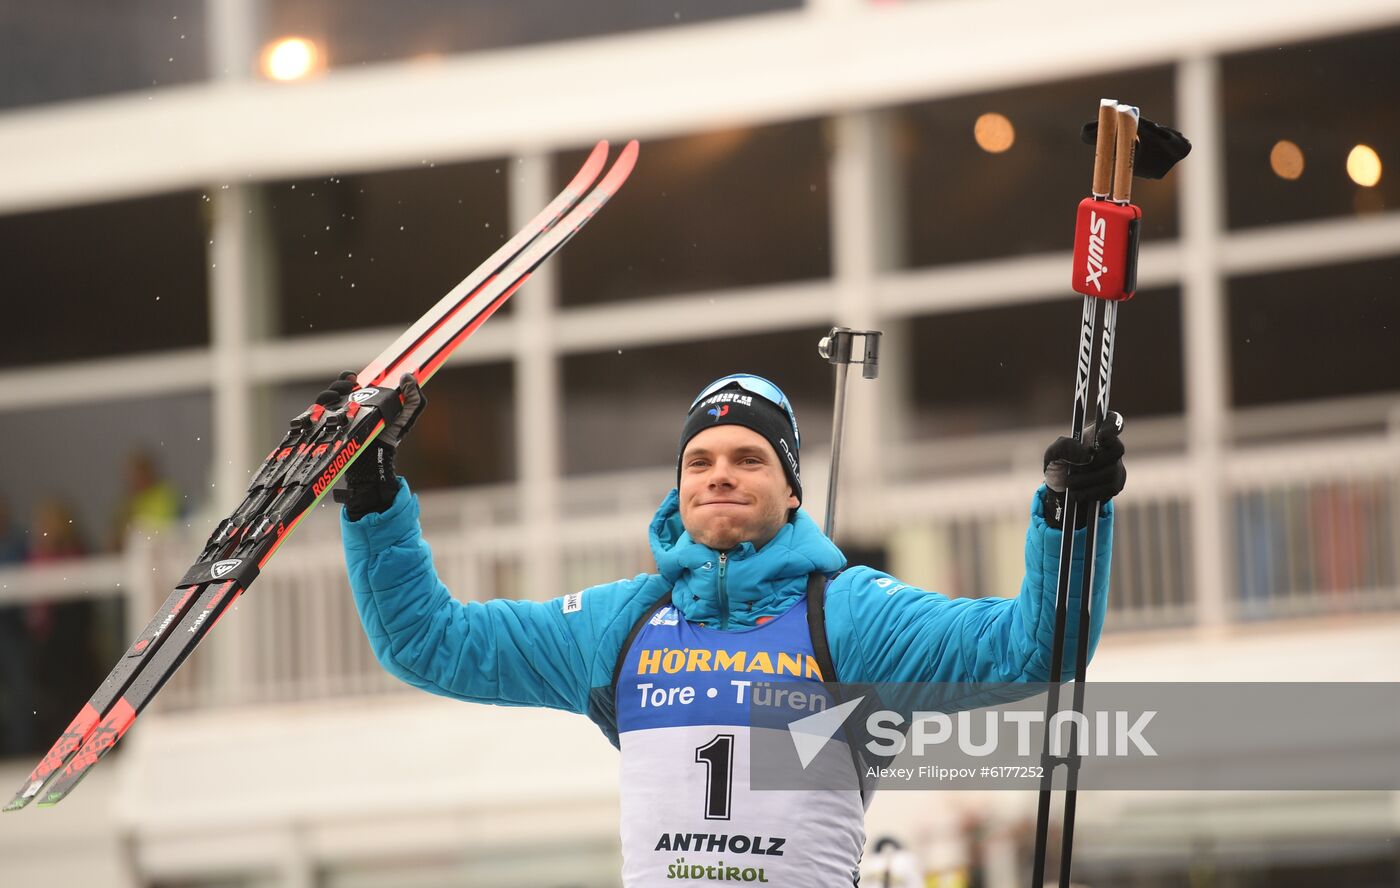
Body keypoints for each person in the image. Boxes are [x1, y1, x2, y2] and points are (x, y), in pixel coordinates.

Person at [334, 371, 1124, 887]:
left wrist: (1069, 518)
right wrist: (372, 502)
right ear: (677, 490)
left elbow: (1034, 647)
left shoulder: (848, 613)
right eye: (700, 460)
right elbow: (429, 644)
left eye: (749, 458)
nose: (719, 473)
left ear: (791, 493)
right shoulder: (623, 621)